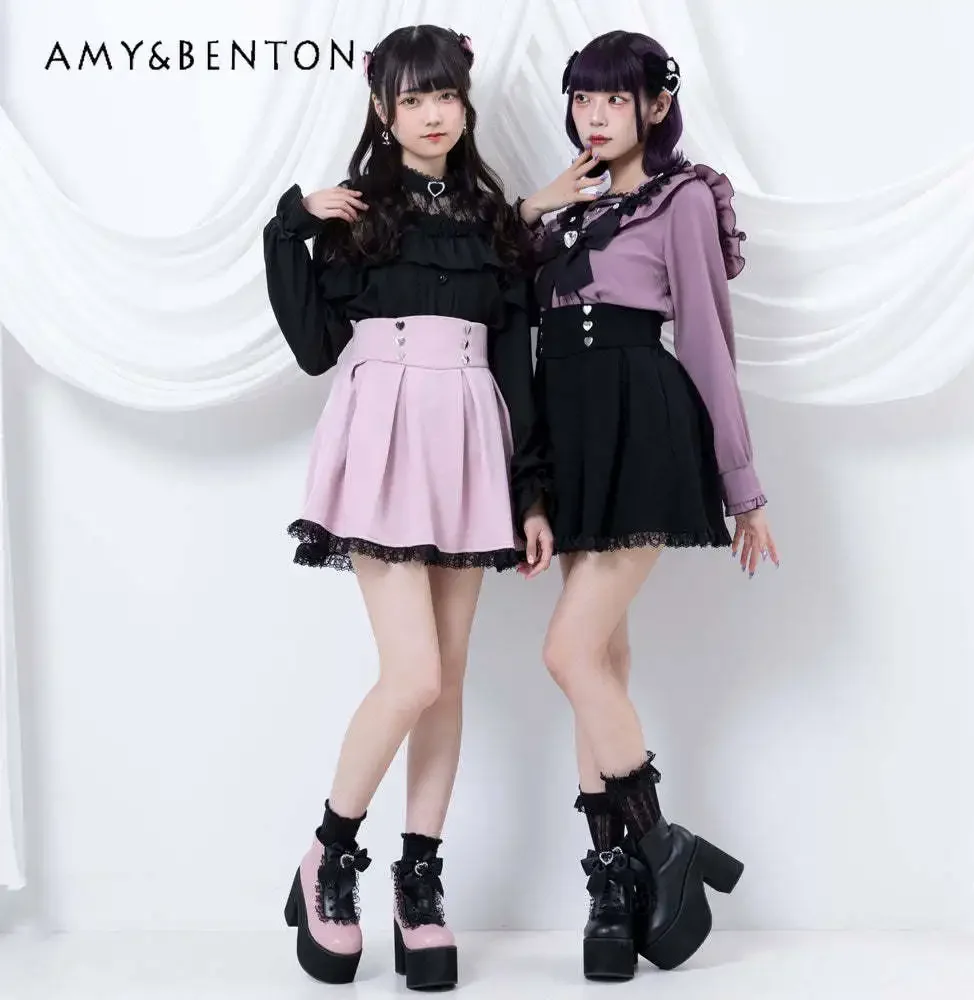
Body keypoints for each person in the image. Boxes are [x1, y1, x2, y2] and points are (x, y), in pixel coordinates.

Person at [262, 24, 553, 989]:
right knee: (414, 674)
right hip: (382, 433)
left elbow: (514, 361)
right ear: (383, 111)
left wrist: (530, 491)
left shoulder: (490, 220)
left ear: (466, 104)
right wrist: (291, 224)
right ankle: (329, 854)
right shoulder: (356, 212)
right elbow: (315, 347)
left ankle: (417, 881)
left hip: (470, 439)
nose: (432, 114)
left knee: (449, 680)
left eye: (446, 95)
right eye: (413, 98)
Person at [516, 30, 779, 981]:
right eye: (582, 97)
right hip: (573, 438)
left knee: (567, 651)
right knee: (602, 660)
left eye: (615, 99)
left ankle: (662, 843)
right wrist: (535, 207)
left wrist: (743, 487)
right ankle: (614, 887)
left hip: (643, 424)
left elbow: (707, 338)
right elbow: (499, 294)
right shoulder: (561, 208)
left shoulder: (685, 198)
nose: (594, 115)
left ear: (655, 107)